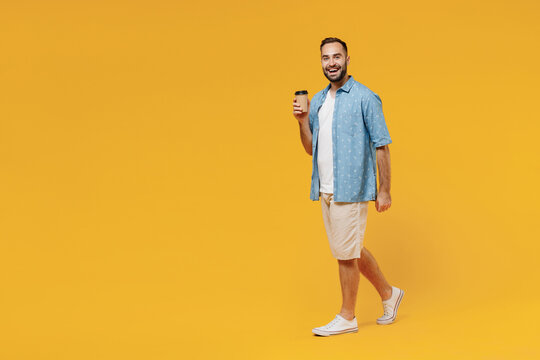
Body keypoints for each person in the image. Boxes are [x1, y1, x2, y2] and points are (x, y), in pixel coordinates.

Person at [292, 37, 404, 336]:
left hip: (351, 188)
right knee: (349, 248)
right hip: (325, 188)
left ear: (347, 59)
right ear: (321, 62)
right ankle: (389, 294)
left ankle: (347, 317)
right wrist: (302, 121)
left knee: (345, 254)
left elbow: (382, 145)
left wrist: (384, 189)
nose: (332, 62)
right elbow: (310, 149)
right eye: (326, 58)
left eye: (337, 57)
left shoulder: (366, 97)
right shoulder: (316, 101)